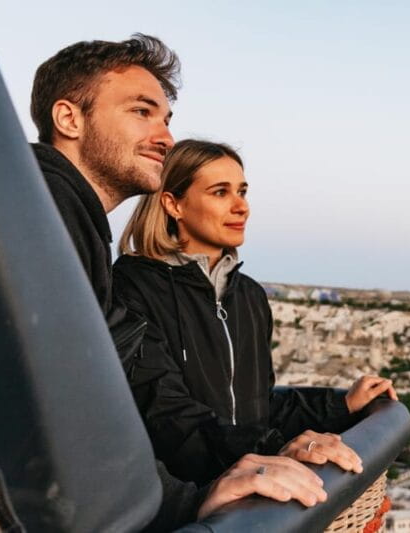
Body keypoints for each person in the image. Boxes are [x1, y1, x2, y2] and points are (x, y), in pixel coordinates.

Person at [30, 34, 327, 530]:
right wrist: (182, 503)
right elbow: (54, 407)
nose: (166, 138)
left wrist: (330, 411)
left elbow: (112, 393)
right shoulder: (46, 212)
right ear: (69, 119)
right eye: (141, 112)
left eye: (166, 119)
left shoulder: (69, 226)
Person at [114, 139, 399, 485]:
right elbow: (164, 414)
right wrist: (274, 451)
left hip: (252, 491)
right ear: (174, 204)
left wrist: (342, 406)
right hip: (178, 500)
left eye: (243, 192)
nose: (241, 207)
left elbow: (259, 408)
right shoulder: (132, 288)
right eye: (221, 193)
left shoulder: (249, 296)